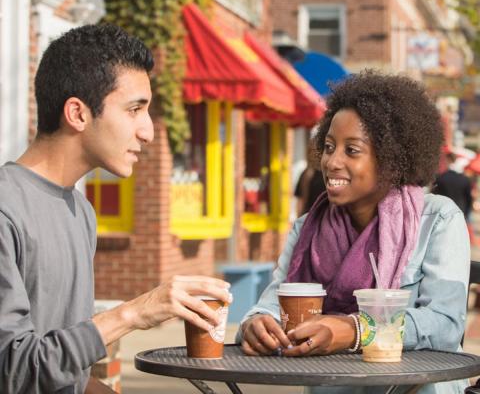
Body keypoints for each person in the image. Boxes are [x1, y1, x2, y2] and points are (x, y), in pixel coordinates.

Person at [0, 24, 231, 394]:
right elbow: (15, 371)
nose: (148, 131)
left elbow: (63, 373)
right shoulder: (6, 211)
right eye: (134, 109)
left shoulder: (80, 210)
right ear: (77, 113)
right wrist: (133, 313)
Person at [238, 71, 470, 394]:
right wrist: (254, 326)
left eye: (352, 150)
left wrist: (357, 329)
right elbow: (269, 306)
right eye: (329, 147)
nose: (331, 161)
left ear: (390, 159)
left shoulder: (438, 220)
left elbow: (446, 324)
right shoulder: (308, 228)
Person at [432, 152, 473, 219]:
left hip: (444, 213)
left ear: (448, 160)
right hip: (461, 212)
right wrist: (467, 213)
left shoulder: (441, 178)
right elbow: (469, 198)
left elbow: (435, 196)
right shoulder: (465, 179)